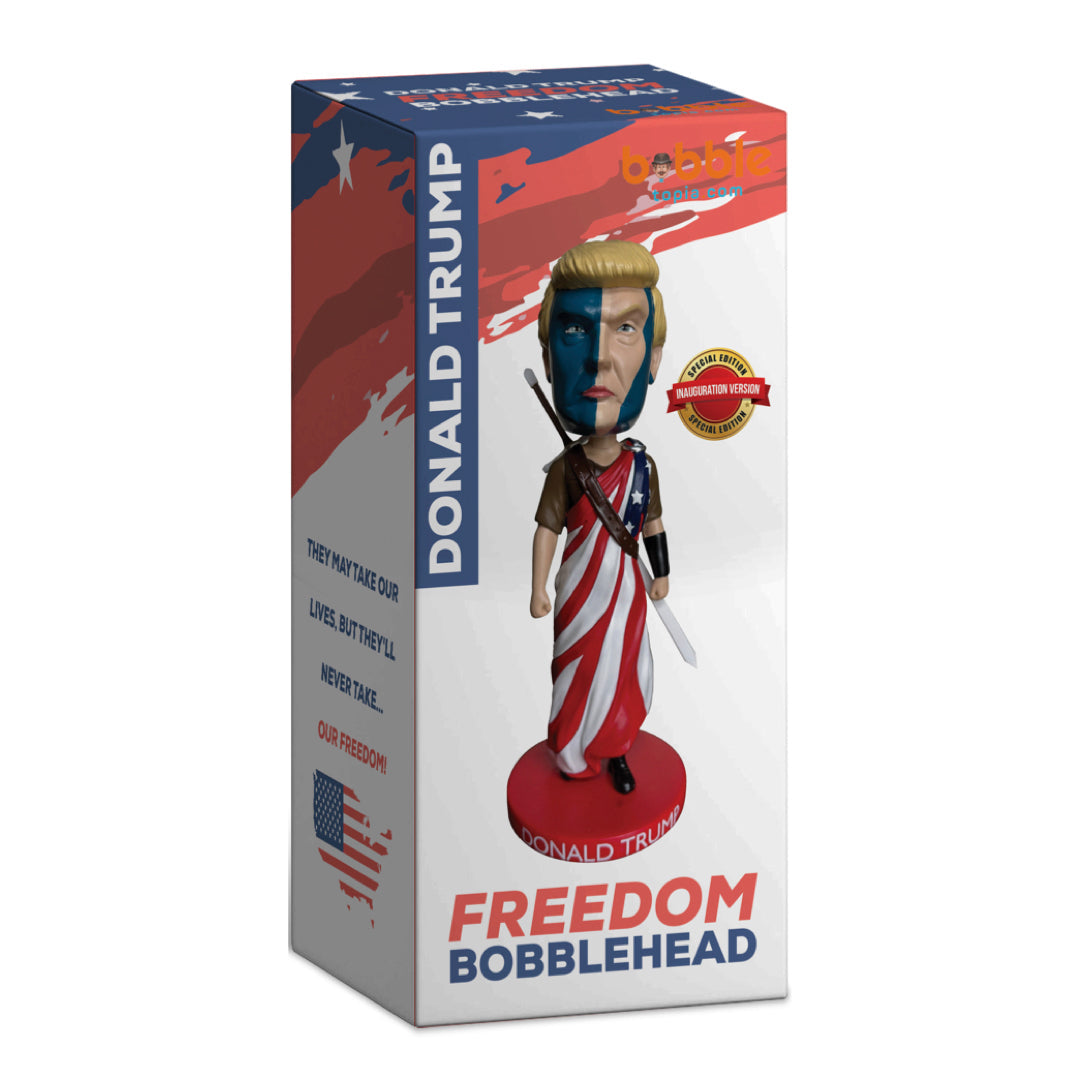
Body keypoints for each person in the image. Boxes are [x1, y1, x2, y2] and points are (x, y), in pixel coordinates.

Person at [530, 241, 671, 794]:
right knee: (579, 670)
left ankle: (616, 749)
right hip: (579, 594)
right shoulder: (567, 469)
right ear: (548, 359)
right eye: (574, 330)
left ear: (653, 358)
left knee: (623, 671)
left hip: (628, 593)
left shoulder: (642, 467)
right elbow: (547, 528)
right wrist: (539, 587)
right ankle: (572, 749)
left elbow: (653, 525)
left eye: (626, 329)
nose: (599, 358)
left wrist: (661, 572)